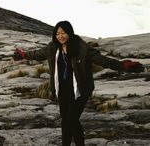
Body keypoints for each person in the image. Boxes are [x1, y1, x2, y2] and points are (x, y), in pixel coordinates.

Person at [13, 20, 144, 146]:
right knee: (65, 121)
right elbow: (37, 54)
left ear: (70, 32)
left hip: (80, 89)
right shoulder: (53, 47)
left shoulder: (81, 47)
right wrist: (23, 55)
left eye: (63, 33)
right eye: (57, 34)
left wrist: (124, 66)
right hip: (62, 89)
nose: (60, 36)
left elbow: (102, 60)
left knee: (72, 119)